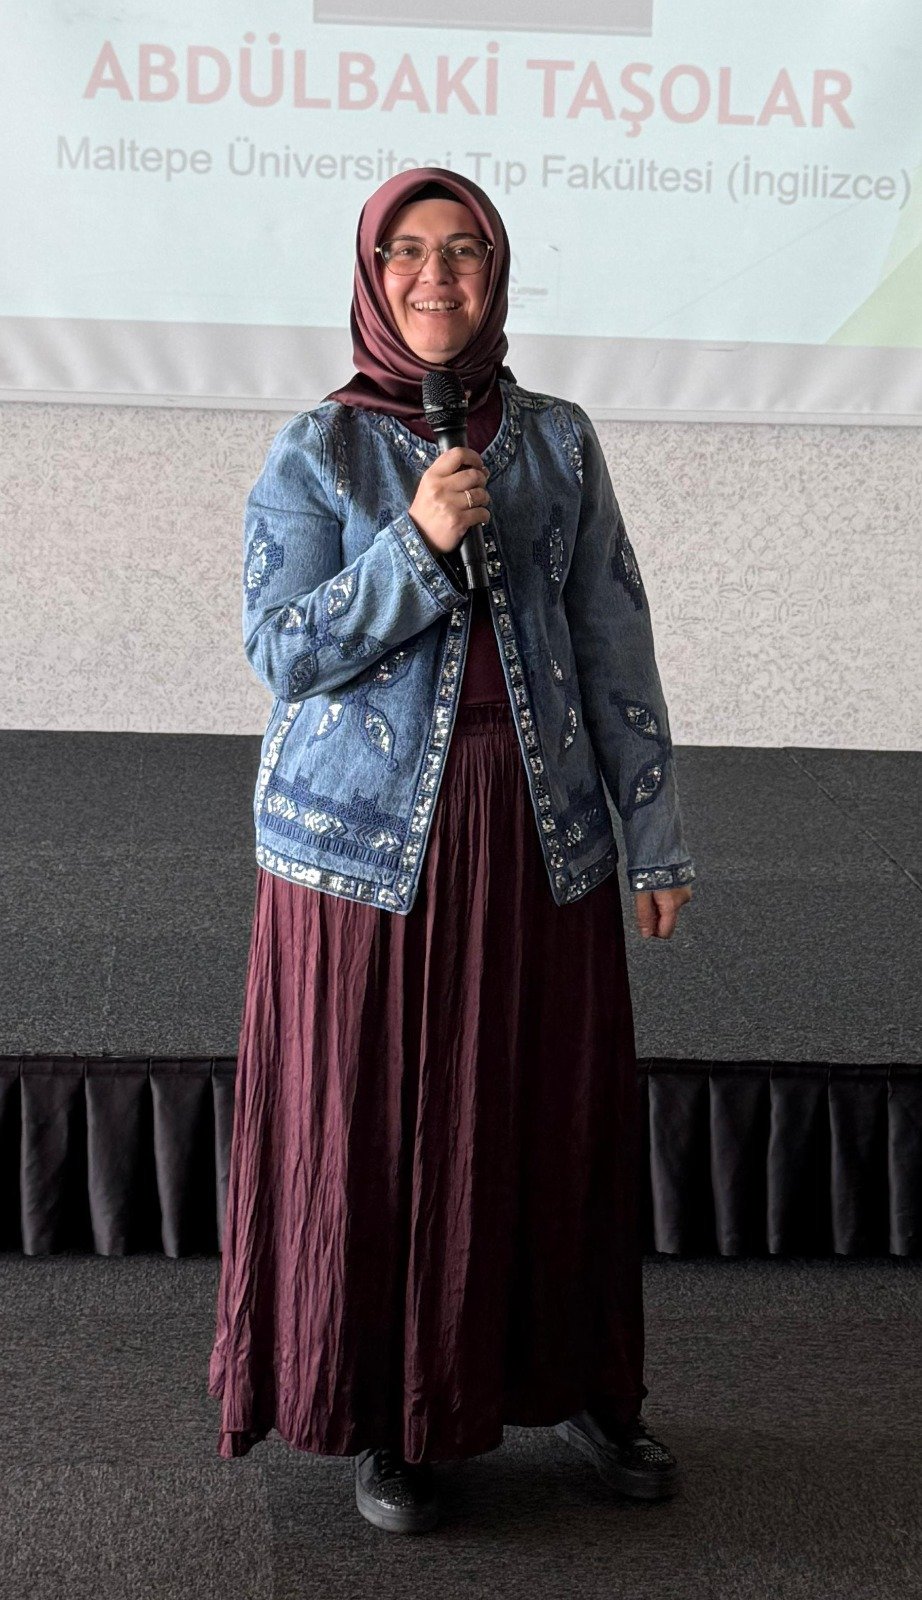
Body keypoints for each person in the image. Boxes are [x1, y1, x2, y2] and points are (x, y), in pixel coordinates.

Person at [208, 167, 695, 1536]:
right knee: (385, 1130)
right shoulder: (318, 447)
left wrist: (653, 834)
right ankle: (393, 1416)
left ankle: (580, 1384)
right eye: (409, 252)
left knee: (552, 1119)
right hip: (364, 859)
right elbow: (281, 651)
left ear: (498, 272)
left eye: (466, 250)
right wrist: (417, 544)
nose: (439, 276)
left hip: (538, 833)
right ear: (373, 276)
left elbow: (612, 639)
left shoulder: (558, 441)